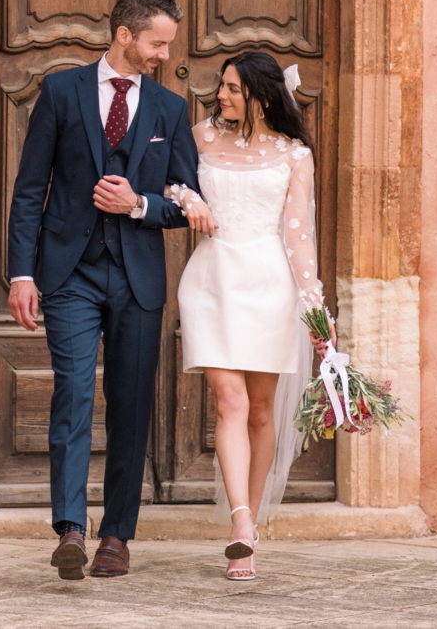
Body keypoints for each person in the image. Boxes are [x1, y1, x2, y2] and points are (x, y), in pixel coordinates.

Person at [6, 0, 198, 582]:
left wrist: (138, 203)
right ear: (124, 34)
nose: (164, 55)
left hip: (137, 278)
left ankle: (116, 534)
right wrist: (21, 272)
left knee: (131, 405)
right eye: (156, 43)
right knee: (73, 394)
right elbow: (30, 188)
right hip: (69, 274)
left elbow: (189, 202)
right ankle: (70, 527)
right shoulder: (61, 93)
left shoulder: (169, 109)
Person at [166, 50, 329, 581]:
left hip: (270, 285)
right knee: (229, 400)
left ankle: (250, 527)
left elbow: (299, 235)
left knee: (261, 410)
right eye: (223, 87)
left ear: (260, 95)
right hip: (211, 281)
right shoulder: (200, 136)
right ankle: (240, 525)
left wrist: (316, 314)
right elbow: (167, 177)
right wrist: (188, 197)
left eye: (233, 89)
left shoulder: (294, 154)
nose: (222, 96)